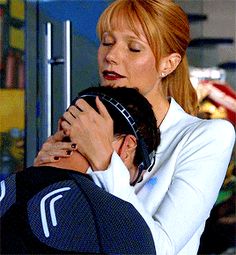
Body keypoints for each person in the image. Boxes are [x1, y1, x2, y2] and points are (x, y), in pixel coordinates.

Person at [34, 0, 235, 254]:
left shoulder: (206, 137)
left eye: (133, 48)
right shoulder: (87, 123)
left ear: (168, 64)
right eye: (107, 42)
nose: (111, 56)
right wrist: (42, 177)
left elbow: (160, 249)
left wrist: (104, 162)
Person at [0, 86, 158, 254]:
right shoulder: (122, 230)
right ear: (127, 147)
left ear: (63, 125)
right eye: (134, 177)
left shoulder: (10, 191)